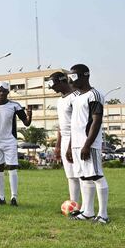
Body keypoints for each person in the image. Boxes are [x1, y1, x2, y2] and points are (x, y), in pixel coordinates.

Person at [65, 64, 110, 224]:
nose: (71, 79)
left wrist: (87, 144)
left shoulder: (95, 95)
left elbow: (96, 121)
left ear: (85, 76)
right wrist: (70, 146)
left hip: (89, 144)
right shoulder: (76, 97)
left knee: (97, 176)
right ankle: (88, 211)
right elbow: (74, 124)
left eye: (74, 76)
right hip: (76, 144)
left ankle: (103, 215)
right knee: (84, 178)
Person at [0, 82, 32, 206]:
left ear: (7, 92)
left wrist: (30, 115)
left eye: (3, 91)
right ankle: (1, 198)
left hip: (10, 141)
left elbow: (26, 123)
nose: (1, 93)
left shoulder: (14, 106)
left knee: (12, 167)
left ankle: (13, 198)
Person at [46, 72, 81, 206]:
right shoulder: (60, 100)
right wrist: (58, 145)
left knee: (81, 174)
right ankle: (74, 204)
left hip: (77, 138)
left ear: (62, 82)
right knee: (70, 175)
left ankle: (86, 207)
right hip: (65, 139)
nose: (52, 89)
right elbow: (62, 125)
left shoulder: (77, 97)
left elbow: (77, 123)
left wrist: (71, 146)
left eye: (53, 85)